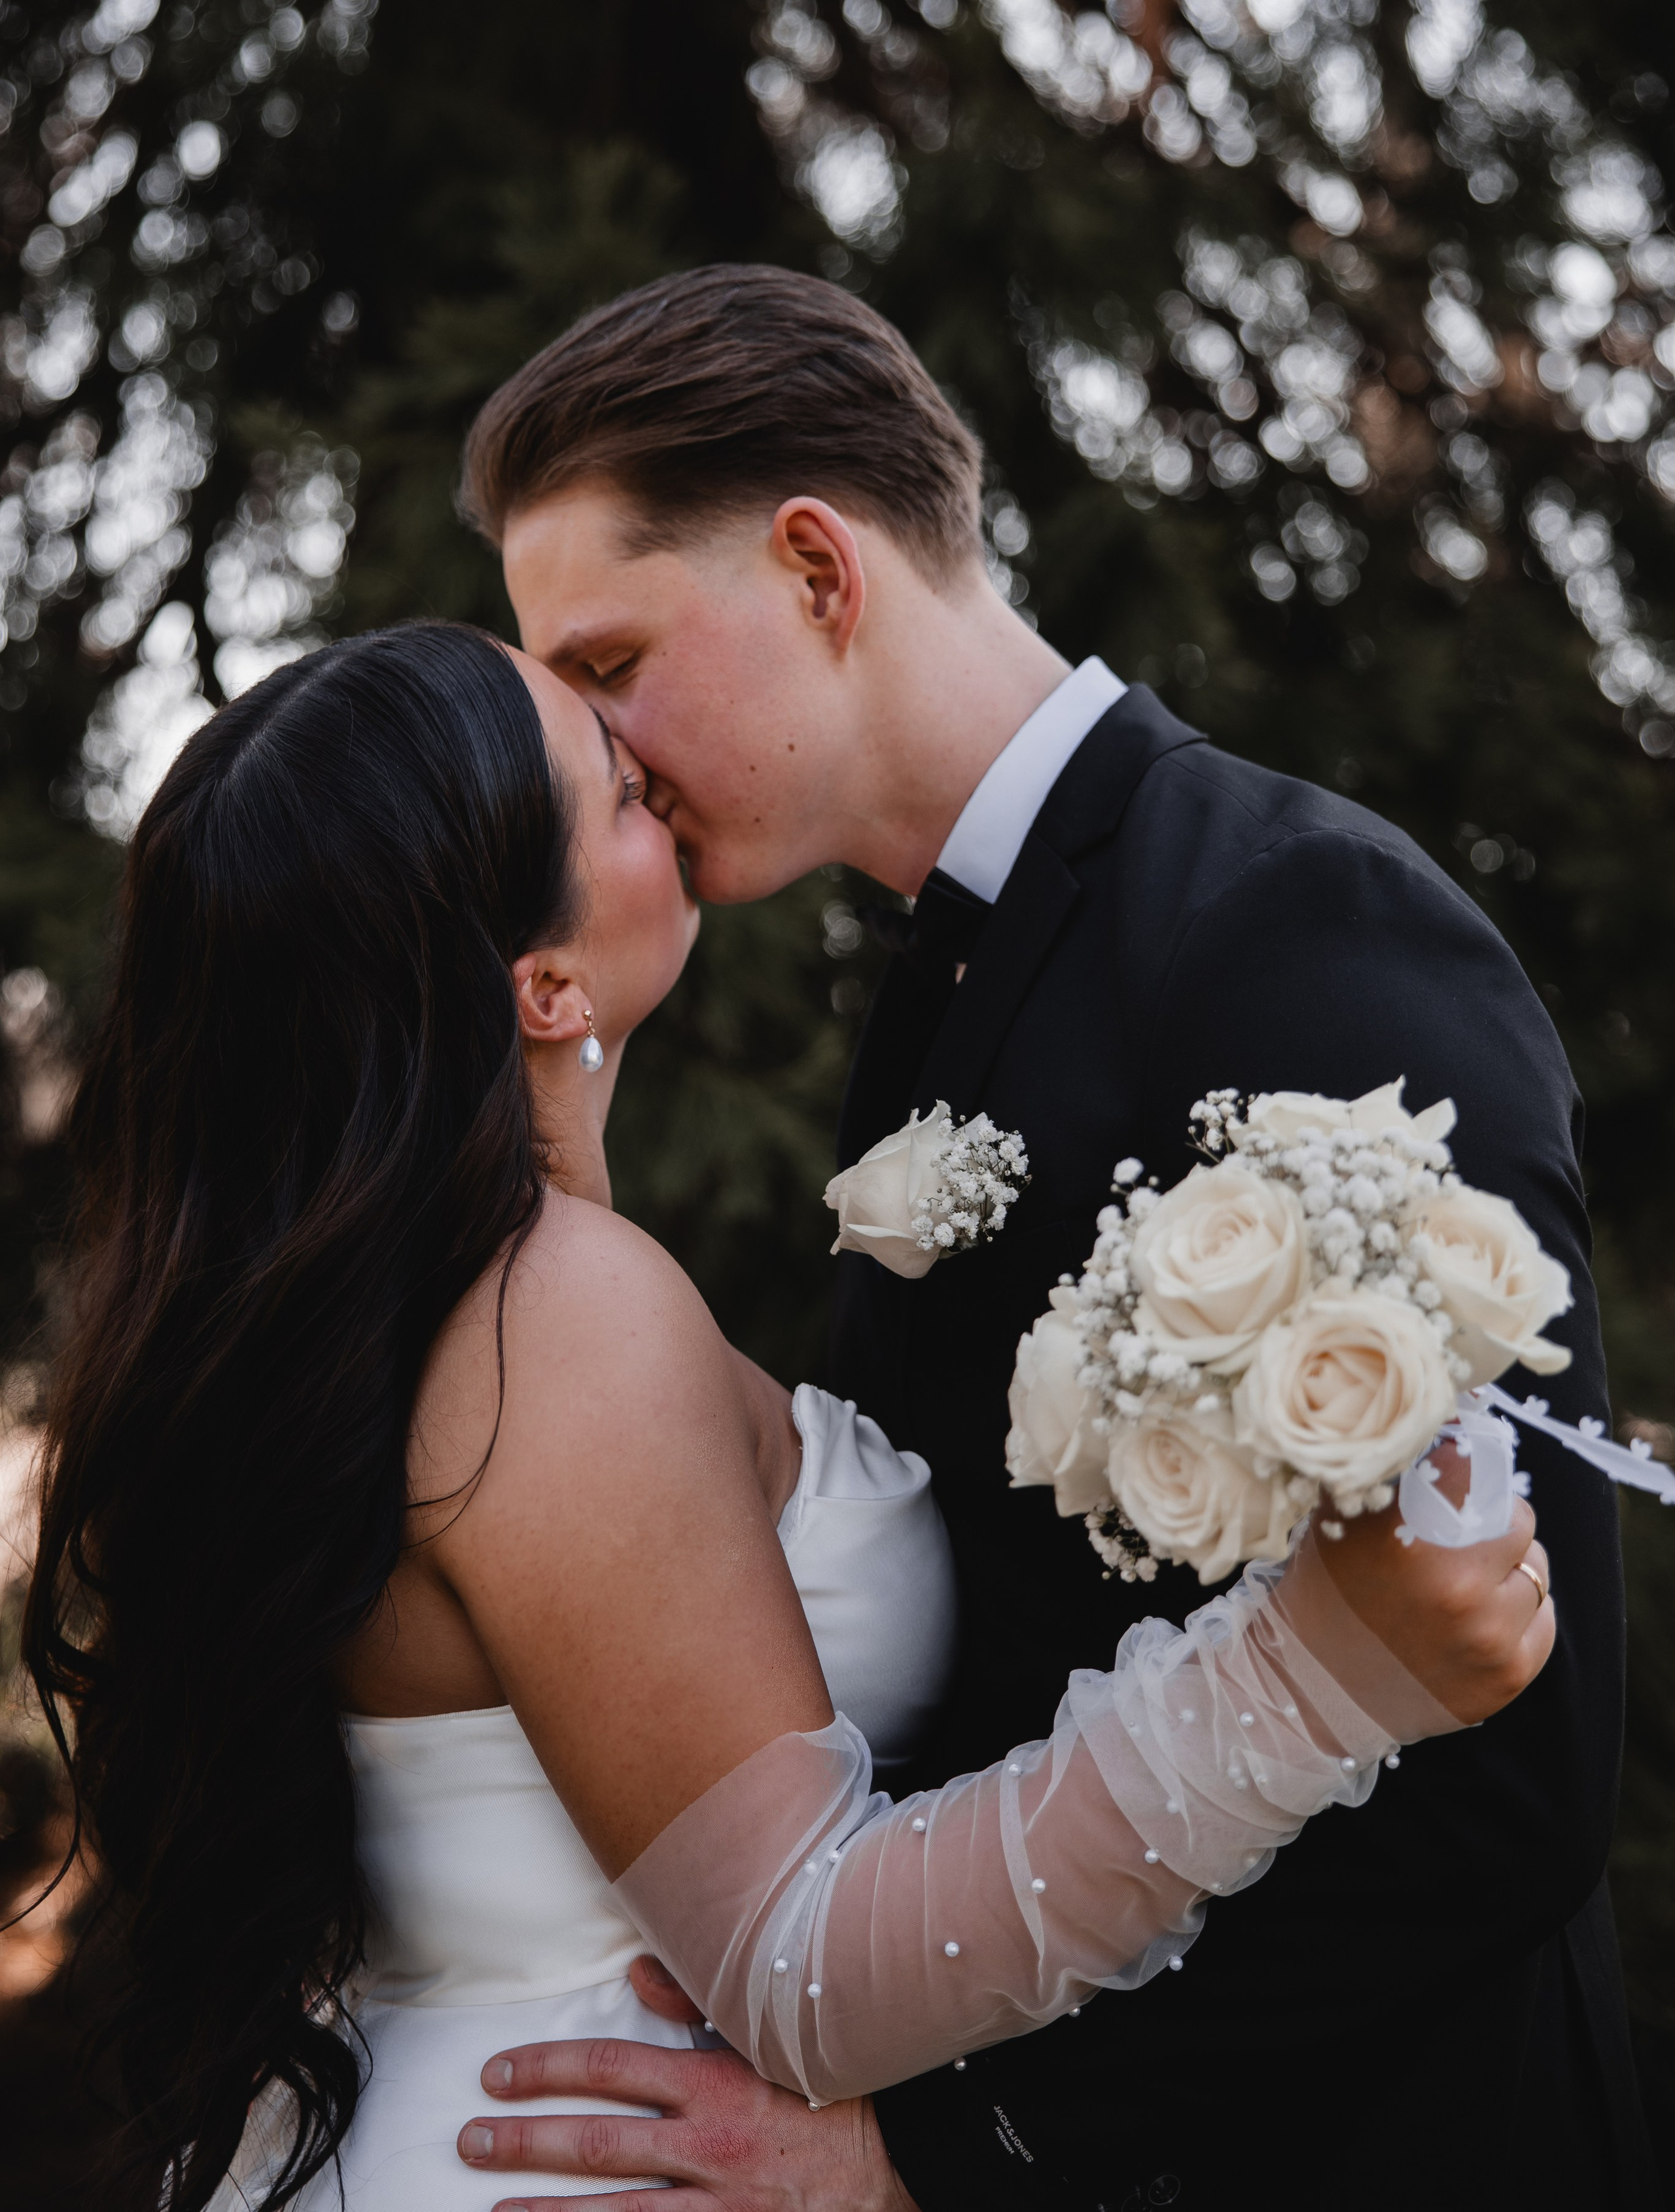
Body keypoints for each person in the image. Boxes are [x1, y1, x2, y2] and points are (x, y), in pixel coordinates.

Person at [24, 623, 1547, 2212]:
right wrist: (1316, 1676)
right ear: (543, 986)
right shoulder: (547, 1309)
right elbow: (798, 1966)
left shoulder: (356, 1321)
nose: (659, 779)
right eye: (614, 788)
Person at [463, 262, 1657, 2210]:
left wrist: (944, 2154)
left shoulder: (1294, 922)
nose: (596, 755)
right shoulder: (945, 987)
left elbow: (1510, 1774)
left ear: (818, 571)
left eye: (607, 667)